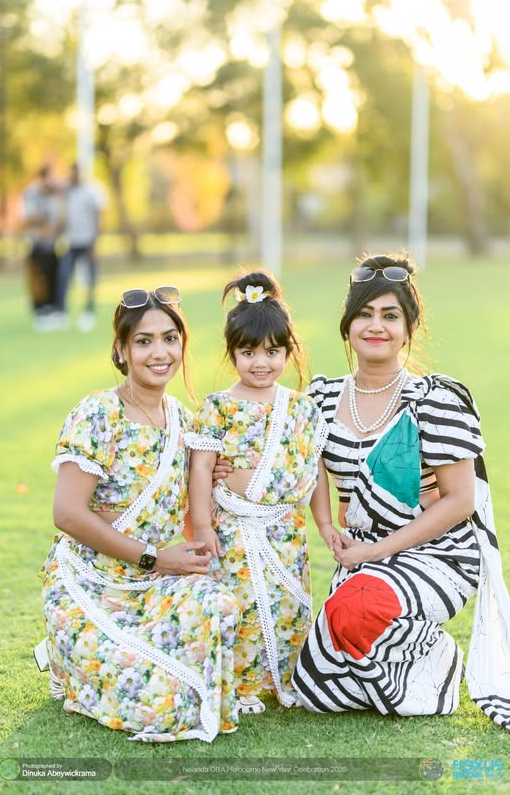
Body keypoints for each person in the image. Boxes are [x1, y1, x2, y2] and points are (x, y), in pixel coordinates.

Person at [292, 253, 510, 735]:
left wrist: (378, 549)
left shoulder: (435, 401)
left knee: (356, 610)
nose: (375, 326)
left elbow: (460, 501)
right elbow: (307, 471)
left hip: (437, 552)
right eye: (365, 314)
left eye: (390, 316)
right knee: (314, 691)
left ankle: (437, 667)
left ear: (409, 328)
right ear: (348, 325)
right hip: (363, 556)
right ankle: (391, 643)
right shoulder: (320, 398)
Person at [35, 286, 242, 742]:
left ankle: (105, 660)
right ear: (121, 350)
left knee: (220, 605)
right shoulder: (99, 413)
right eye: (144, 341)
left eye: (170, 338)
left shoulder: (185, 422)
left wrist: (211, 476)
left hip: (155, 586)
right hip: (93, 582)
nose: (160, 352)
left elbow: (184, 510)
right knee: (157, 705)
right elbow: (67, 514)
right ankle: (72, 657)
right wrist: (154, 557)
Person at [185, 270, 329, 715]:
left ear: (289, 350)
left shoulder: (302, 408)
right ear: (232, 354)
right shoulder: (219, 406)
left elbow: (316, 469)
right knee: (241, 604)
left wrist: (325, 523)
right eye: (248, 352)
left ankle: (283, 676)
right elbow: (201, 467)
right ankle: (242, 682)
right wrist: (204, 525)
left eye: (272, 351)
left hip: (285, 529)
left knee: (288, 603)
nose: (260, 363)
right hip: (232, 528)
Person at [57, 163, 105, 331]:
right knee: (63, 277)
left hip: (87, 241)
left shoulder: (92, 191)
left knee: (91, 279)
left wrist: (95, 242)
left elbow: (98, 217)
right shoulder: (67, 191)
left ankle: (88, 313)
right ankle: (61, 313)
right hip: (71, 241)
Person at [21, 165, 64, 331]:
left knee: (53, 278)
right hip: (37, 245)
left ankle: (53, 311)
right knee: (38, 280)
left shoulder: (55, 195)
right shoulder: (32, 192)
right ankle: (39, 311)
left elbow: (59, 220)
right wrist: (44, 223)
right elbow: (30, 218)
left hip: (52, 244)